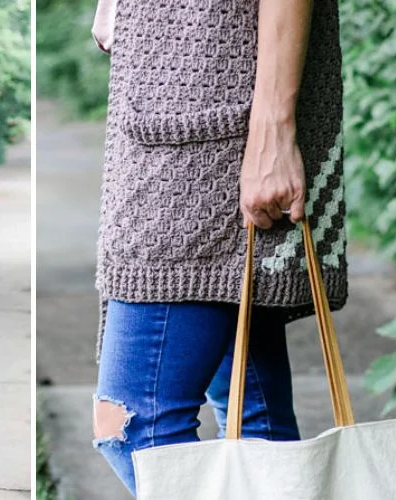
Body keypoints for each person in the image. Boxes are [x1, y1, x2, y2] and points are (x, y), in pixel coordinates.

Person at [90, 0, 347, 496]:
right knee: (255, 423)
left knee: (133, 422)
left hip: (217, 129)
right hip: (178, 104)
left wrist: (273, 129)